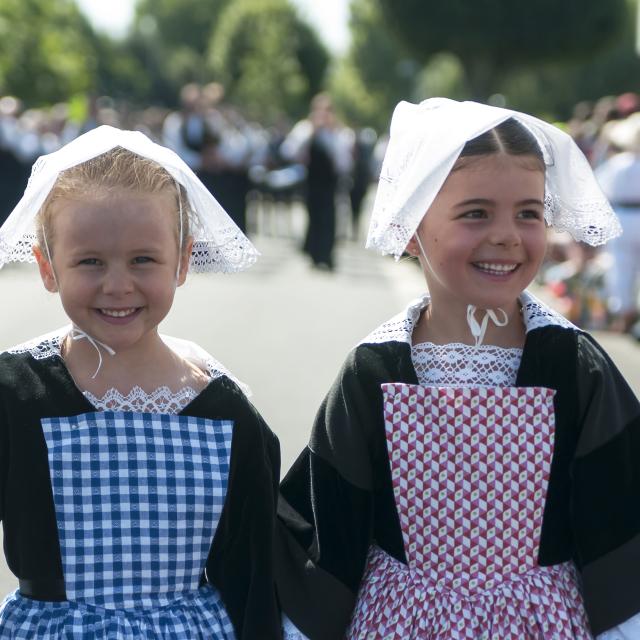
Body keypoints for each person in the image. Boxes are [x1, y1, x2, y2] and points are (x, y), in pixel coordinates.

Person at [276, 98, 640, 639]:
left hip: (542, 623)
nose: (507, 235)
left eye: (528, 212)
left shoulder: (571, 363)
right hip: (400, 621)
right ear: (412, 226)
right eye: (476, 213)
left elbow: (619, 522)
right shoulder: (375, 368)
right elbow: (330, 527)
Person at [0, 125, 285, 638]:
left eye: (143, 260)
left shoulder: (221, 408)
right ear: (47, 267)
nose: (117, 284)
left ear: (181, 260)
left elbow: (252, 577)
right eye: (90, 261)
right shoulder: (17, 392)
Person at [594, 112, 640, 334]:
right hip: (626, 214)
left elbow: (599, 189)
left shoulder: (617, 164)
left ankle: (624, 312)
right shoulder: (618, 163)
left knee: (621, 265)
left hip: (622, 216)